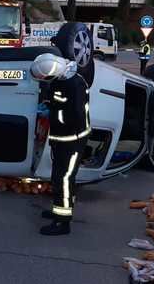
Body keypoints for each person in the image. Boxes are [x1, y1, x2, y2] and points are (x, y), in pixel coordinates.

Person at [30, 53, 91, 236]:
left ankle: (62, 222)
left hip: (71, 140)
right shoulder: (62, 80)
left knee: (63, 179)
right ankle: (61, 209)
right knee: (59, 177)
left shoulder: (74, 85)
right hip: (61, 139)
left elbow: (75, 116)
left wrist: (54, 115)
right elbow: (56, 101)